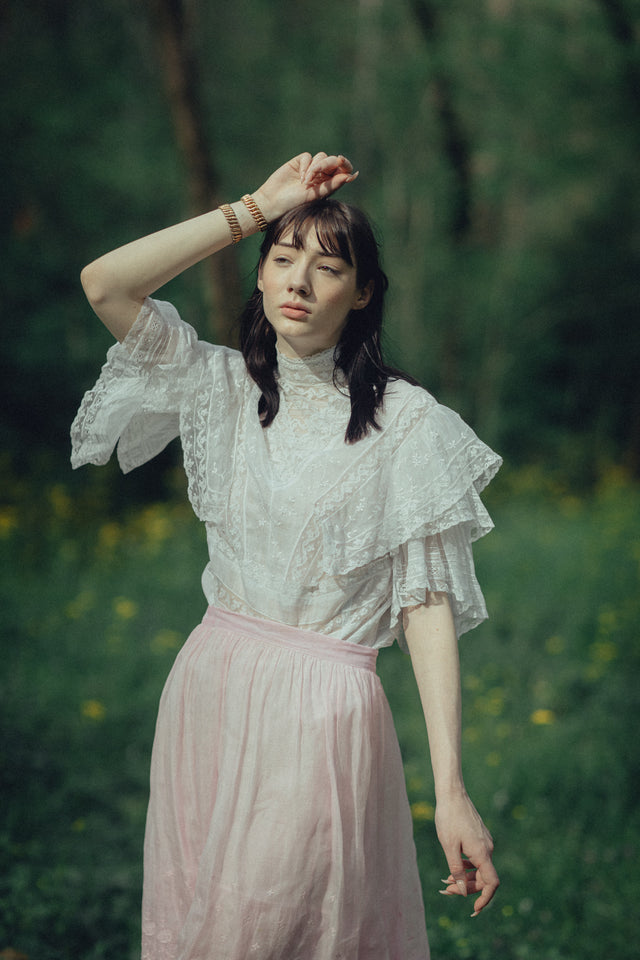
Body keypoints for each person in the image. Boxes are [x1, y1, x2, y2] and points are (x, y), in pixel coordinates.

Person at [71, 151, 501, 960]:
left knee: (267, 935)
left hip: (324, 713)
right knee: (197, 926)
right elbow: (106, 284)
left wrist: (450, 791)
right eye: (282, 258)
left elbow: (425, 607)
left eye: (328, 266)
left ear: (364, 292)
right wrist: (256, 207)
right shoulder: (217, 386)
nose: (299, 281)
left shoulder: (407, 424)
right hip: (210, 691)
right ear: (261, 276)